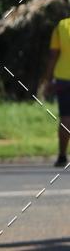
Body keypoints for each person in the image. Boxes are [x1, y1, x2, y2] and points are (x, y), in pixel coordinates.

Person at [44, 15, 70, 167]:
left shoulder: (62, 26)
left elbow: (53, 55)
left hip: (63, 77)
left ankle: (62, 156)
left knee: (66, 117)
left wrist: (48, 80)